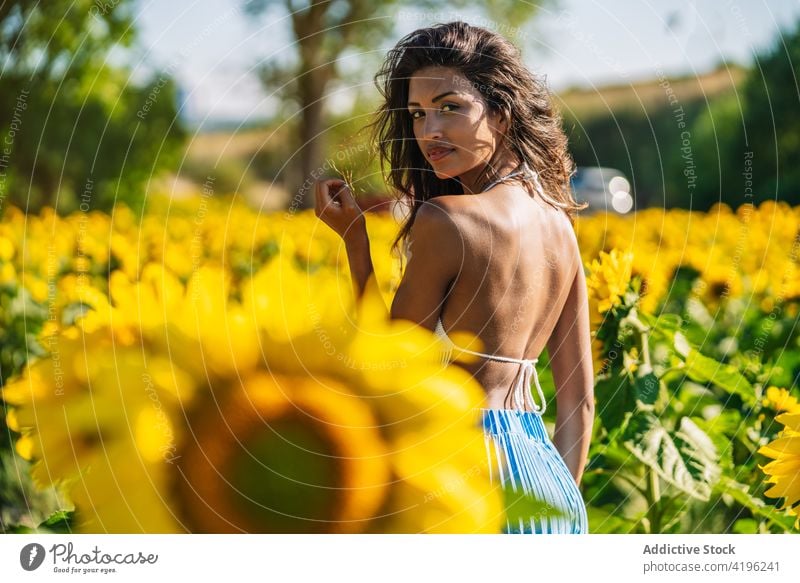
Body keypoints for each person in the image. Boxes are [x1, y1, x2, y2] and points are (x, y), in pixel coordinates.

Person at [314, 21, 594, 534]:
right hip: (551, 494)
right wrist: (553, 509)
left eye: (450, 107)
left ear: (502, 115)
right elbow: (579, 402)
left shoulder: (449, 220)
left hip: (461, 477)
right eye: (418, 114)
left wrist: (356, 242)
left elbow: (388, 368)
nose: (429, 133)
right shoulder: (561, 227)